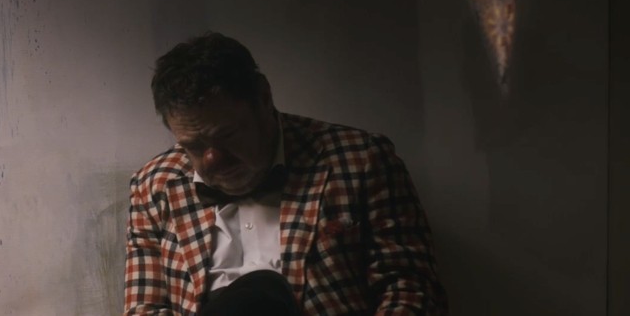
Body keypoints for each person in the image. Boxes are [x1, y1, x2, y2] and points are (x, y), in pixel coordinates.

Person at [124, 32, 447, 315]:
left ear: (264, 98)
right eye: (193, 146)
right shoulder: (153, 185)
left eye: (227, 136)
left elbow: (412, 289)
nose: (212, 160)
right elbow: (144, 308)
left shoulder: (362, 160)